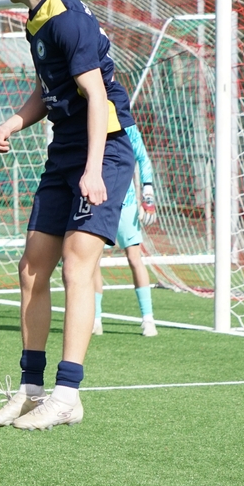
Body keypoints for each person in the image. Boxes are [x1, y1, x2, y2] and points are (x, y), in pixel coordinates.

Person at [0, 0, 136, 431]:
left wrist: (93, 170)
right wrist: (13, 122)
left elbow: (96, 96)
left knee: (76, 266)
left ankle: (67, 394)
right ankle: (31, 390)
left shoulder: (68, 19)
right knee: (31, 268)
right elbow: (50, 91)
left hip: (103, 152)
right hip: (64, 152)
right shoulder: (39, 18)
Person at [93, 123, 158, 337]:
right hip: (97, 201)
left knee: (134, 258)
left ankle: (148, 319)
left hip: (126, 203)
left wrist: (148, 196)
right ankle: (95, 319)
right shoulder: (88, 121)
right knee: (92, 260)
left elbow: (143, 158)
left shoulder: (126, 124)